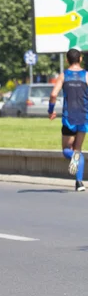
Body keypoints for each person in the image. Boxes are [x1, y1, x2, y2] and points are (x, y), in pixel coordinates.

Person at [49, 48, 88, 192]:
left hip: (69, 118)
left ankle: (76, 158)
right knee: (78, 149)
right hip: (84, 118)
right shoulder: (87, 75)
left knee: (67, 150)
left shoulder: (64, 75)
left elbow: (53, 94)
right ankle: (79, 183)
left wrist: (50, 110)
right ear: (81, 59)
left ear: (67, 60)